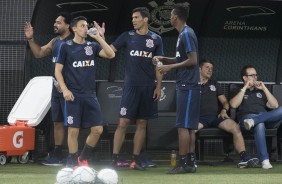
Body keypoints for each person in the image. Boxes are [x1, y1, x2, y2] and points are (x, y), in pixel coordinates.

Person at [54, 16, 115, 167]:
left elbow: (111, 54)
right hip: (73, 95)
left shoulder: (92, 46)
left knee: (97, 130)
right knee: (73, 132)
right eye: (82, 26)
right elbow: (58, 71)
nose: (85, 28)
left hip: (90, 95)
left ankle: (82, 158)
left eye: (86, 26)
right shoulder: (66, 46)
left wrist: (99, 38)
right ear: (74, 28)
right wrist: (65, 90)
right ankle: (74, 163)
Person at [109, 7, 164, 170]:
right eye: (132, 18)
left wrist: (158, 86)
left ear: (145, 19)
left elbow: (159, 64)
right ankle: (115, 159)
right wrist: (99, 37)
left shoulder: (156, 39)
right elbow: (110, 50)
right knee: (123, 122)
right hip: (130, 87)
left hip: (148, 87)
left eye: (136, 17)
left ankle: (136, 159)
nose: (133, 20)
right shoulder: (127, 36)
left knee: (142, 124)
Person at [154, 3, 200, 174]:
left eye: (171, 15)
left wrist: (169, 68)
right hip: (186, 85)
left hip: (188, 85)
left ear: (175, 16)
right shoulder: (184, 34)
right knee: (188, 127)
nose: (170, 18)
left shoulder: (187, 33)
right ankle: (189, 162)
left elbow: (193, 60)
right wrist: (165, 59)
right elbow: (182, 58)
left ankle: (183, 163)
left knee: (183, 126)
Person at [24, 12, 73, 166]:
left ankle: (74, 156)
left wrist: (67, 86)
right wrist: (31, 38)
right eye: (54, 22)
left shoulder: (76, 41)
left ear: (67, 25)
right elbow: (38, 53)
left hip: (71, 91)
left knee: (73, 123)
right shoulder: (55, 41)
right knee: (57, 122)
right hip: (56, 90)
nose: (55, 24)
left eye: (58, 22)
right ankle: (57, 155)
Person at [197, 59, 259, 168]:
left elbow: (225, 102)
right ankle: (191, 158)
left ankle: (244, 157)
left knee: (235, 127)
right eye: (207, 67)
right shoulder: (192, 84)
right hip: (199, 118)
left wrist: (224, 110)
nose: (210, 70)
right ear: (199, 69)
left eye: (211, 68)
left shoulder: (214, 84)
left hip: (216, 117)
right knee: (189, 130)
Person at [229, 65, 282, 169]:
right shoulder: (237, 90)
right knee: (260, 124)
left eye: (255, 75)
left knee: (279, 110)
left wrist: (264, 88)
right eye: (251, 75)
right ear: (245, 77)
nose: (255, 77)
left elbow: (274, 105)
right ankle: (265, 161)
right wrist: (245, 87)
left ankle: (254, 121)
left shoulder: (261, 91)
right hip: (246, 119)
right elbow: (234, 105)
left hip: (263, 117)